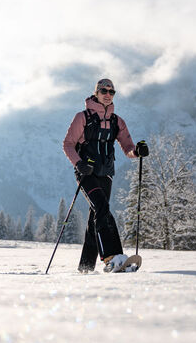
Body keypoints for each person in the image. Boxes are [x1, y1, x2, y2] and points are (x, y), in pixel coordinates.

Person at [63, 78, 149, 272]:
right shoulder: (82, 117)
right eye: (104, 91)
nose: (108, 94)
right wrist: (79, 163)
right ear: (96, 93)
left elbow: (128, 147)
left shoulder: (117, 121)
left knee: (97, 214)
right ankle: (112, 257)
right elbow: (68, 144)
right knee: (102, 208)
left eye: (112, 92)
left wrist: (138, 151)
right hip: (86, 173)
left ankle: (85, 267)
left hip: (106, 174)